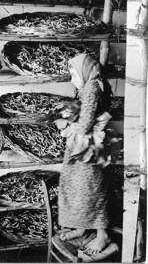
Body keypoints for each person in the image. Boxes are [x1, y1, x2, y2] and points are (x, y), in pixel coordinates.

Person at [54, 54, 117, 259]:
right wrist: (68, 110)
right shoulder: (91, 87)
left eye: (73, 74)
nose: (72, 79)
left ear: (84, 71)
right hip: (87, 147)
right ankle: (82, 227)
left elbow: (84, 125)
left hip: (88, 149)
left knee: (92, 189)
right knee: (82, 189)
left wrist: (65, 115)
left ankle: (102, 234)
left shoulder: (91, 90)